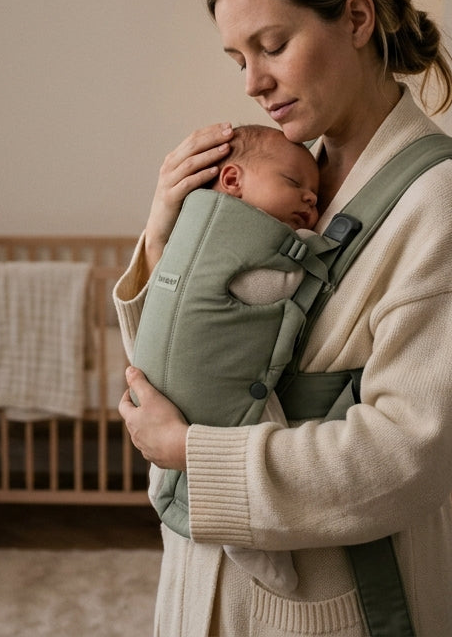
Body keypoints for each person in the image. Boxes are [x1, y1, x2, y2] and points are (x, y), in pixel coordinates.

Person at [115, 0, 452, 636]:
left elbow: (407, 457)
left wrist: (189, 451)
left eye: (273, 45)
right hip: (201, 575)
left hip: (326, 601)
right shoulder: (284, 180)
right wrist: (163, 236)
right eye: (238, 59)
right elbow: (189, 355)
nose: (253, 84)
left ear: (357, 19)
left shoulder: (446, 201)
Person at [130, 122, 321, 595]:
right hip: (203, 394)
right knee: (259, 420)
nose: (311, 201)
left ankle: (188, 500)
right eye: (295, 184)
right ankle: (248, 539)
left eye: (315, 194)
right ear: (232, 181)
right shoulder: (236, 243)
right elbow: (272, 287)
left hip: (193, 404)